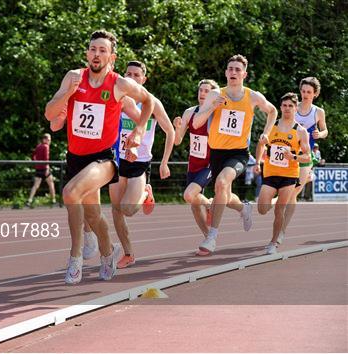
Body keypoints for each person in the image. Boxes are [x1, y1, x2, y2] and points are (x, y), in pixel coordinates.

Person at [44, 30, 154, 284]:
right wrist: (66, 95)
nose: (96, 54)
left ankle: (75, 260)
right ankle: (108, 253)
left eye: (102, 50)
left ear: (111, 57)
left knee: (70, 193)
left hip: (104, 159)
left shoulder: (119, 84)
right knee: (93, 215)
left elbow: (148, 102)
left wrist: (138, 131)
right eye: (93, 49)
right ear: (87, 53)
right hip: (76, 158)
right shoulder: (73, 77)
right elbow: (50, 114)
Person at [191, 54, 278, 255]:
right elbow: (196, 123)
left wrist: (266, 132)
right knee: (226, 195)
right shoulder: (215, 95)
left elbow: (272, 111)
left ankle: (212, 237)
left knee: (221, 183)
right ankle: (243, 209)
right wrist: (213, 107)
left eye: (238, 70)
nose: (233, 72)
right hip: (216, 153)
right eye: (230, 69)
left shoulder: (253, 97)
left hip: (238, 154)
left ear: (244, 74)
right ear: (225, 73)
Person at [109, 60, 175, 268]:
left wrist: (164, 162)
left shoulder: (151, 103)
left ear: (143, 79)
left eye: (136, 75)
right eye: (128, 73)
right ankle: (128, 253)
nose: (131, 77)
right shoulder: (118, 98)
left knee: (128, 209)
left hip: (139, 163)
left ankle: (146, 192)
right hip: (118, 161)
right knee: (116, 210)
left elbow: (170, 132)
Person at [173, 79, 241, 251]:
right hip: (194, 163)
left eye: (206, 91)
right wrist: (177, 128)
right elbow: (177, 141)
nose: (202, 94)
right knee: (194, 206)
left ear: (212, 94)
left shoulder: (217, 113)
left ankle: (211, 205)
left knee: (189, 195)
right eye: (200, 90)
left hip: (211, 163)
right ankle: (208, 239)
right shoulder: (190, 112)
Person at [255, 93, 311, 254]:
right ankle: (275, 197)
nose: (287, 109)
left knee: (279, 210)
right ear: (280, 108)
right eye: (284, 106)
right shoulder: (271, 127)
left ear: (296, 108)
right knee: (262, 209)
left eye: (290, 106)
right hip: (271, 172)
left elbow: (307, 156)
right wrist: (258, 161)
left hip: (289, 174)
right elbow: (261, 145)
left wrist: (293, 156)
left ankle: (273, 242)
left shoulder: (301, 131)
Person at [281, 77, 327, 240]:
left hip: (305, 156)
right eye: (303, 91)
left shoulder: (318, 112)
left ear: (315, 94)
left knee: (293, 193)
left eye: (309, 92)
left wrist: (319, 134)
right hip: (288, 153)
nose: (305, 94)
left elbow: (325, 131)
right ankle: (308, 178)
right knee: (286, 192)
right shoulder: (293, 107)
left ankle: (282, 229)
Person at [26, 133, 56, 207]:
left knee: (35, 185)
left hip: (38, 168)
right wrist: (47, 169)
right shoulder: (46, 146)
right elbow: (46, 158)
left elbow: (33, 155)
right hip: (44, 169)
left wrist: (36, 163)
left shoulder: (38, 146)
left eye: (50, 140)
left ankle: (29, 200)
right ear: (44, 139)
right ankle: (53, 200)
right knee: (51, 184)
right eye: (48, 139)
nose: (49, 141)